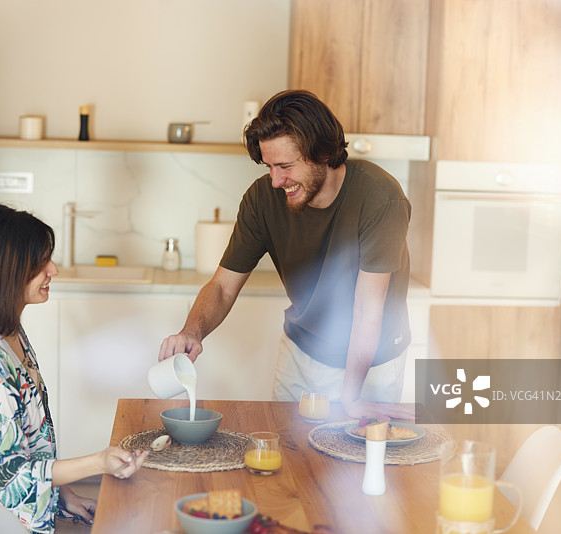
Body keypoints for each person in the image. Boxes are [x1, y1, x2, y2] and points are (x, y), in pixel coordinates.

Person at [159, 90, 413, 420]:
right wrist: (192, 331)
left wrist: (350, 399)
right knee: (287, 461)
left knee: (360, 463)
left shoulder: (380, 198)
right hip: (303, 353)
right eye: (269, 167)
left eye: (285, 166)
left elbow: (367, 310)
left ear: (322, 154)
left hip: (371, 365)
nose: (276, 181)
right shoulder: (262, 200)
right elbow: (222, 286)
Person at [0, 204, 147, 533]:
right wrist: (99, 461)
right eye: (40, 263)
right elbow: (10, 476)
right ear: (7, 272)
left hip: (25, 513)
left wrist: (64, 495)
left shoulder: (7, 332)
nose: (54, 270)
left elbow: (29, 443)